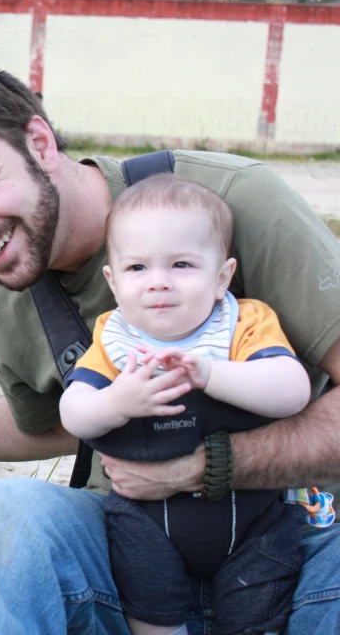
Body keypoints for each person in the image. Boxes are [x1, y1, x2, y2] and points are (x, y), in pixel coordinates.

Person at [0, 61, 340, 633]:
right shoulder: (2, 296)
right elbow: (55, 427)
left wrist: (201, 468)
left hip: (294, 549)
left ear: (39, 142)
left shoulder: (233, 199)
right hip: (130, 557)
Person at [59, 174, 316, 635]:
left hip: (252, 522)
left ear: (222, 277)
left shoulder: (244, 325)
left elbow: (293, 390)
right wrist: (119, 400)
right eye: (138, 269)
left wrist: (213, 373)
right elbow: (74, 412)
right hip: (146, 524)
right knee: (148, 601)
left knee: (258, 610)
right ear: (113, 284)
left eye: (180, 264)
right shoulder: (116, 340)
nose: (158, 283)